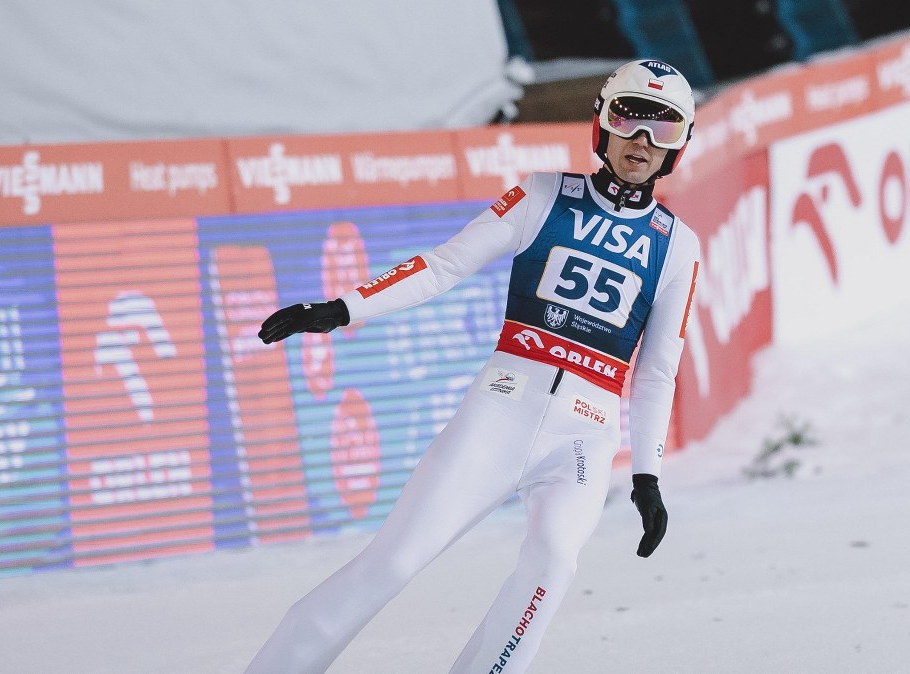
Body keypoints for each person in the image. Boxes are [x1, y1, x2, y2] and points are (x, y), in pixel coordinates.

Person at [245, 58, 702, 674]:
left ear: (681, 143)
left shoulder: (678, 245)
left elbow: (658, 368)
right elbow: (443, 266)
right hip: (500, 413)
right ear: (602, 123)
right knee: (393, 563)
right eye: (630, 120)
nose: (642, 142)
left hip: (583, 438)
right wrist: (339, 310)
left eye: (664, 129)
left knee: (551, 566)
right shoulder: (542, 194)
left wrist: (646, 475)